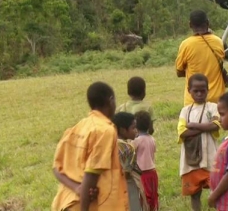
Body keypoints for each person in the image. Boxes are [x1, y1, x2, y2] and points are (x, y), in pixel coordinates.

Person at [52, 82, 129, 211]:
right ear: (111, 100)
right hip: (87, 206)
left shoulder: (77, 127)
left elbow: (56, 168)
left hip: (66, 202)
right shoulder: (105, 131)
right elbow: (91, 174)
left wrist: (76, 187)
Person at [178, 73, 222, 211]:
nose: (199, 94)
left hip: (210, 157)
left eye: (202, 90)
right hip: (191, 159)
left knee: (216, 190)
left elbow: (215, 125)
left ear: (207, 90)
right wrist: (204, 127)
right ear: (189, 90)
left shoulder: (213, 107)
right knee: (194, 193)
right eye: (195, 91)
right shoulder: (185, 111)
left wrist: (194, 125)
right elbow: (182, 133)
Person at [176, 10, 228, 106]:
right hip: (217, 99)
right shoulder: (218, 42)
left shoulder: (186, 44)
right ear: (208, 23)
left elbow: (179, 72)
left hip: (193, 100)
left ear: (190, 25)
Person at [113, 112, 150, 211]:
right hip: (128, 185)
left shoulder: (110, 143)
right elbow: (128, 172)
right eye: (133, 128)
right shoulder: (127, 148)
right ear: (122, 130)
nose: (136, 131)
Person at [133, 111, 158, 211]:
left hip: (141, 174)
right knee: (153, 197)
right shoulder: (152, 139)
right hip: (152, 172)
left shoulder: (136, 141)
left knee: (143, 199)